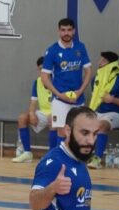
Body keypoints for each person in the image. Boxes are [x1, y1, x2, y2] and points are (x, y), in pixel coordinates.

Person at [41, 18, 92, 147]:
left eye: (69, 30)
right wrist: (59, 94)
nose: (66, 33)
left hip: (78, 99)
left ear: (74, 31)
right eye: (63, 30)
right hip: (60, 100)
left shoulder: (80, 47)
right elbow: (44, 77)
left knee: (78, 132)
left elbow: (88, 71)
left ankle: (74, 157)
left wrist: (79, 92)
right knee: (62, 132)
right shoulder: (52, 51)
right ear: (59, 31)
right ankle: (58, 156)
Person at [87, 51, 119, 169]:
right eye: (100, 60)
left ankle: (97, 159)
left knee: (101, 125)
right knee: (81, 123)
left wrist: (112, 100)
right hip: (99, 112)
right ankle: (80, 156)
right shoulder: (95, 79)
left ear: (111, 64)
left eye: (103, 61)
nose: (99, 63)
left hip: (117, 115)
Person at [13, 57, 54, 163]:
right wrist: (31, 113)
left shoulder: (57, 80)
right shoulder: (37, 82)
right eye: (40, 69)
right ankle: (27, 152)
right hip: (44, 113)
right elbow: (33, 103)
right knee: (22, 118)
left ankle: (52, 155)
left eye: (44, 68)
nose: (42, 71)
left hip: (57, 113)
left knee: (52, 119)